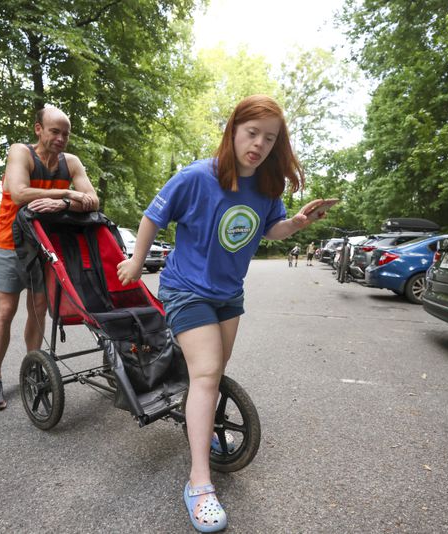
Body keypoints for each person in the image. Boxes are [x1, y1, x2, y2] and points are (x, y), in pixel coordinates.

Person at [116, 94, 329, 532]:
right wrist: (137, 261)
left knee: (208, 376)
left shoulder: (267, 187)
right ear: (233, 129)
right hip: (185, 288)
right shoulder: (197, 176)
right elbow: (152, 216)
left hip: (229, 293)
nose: (259, 144)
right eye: (252, 133)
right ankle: (198, 483)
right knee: (208, 373)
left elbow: (271, 228)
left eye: (269, 138)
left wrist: (298, 225)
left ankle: (201, 421)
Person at [0, 106, 99, 411]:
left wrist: (63, 203)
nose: (61, 138)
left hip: (45, 246)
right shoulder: (21, 153)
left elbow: (93, 200)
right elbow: (18, 192)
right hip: (9, 244)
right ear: (38, 129)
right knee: (5, 310)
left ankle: (35, 366)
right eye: (54, 131)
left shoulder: (70, 163)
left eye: (66, 134)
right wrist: (69, 196)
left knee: (39, 309)